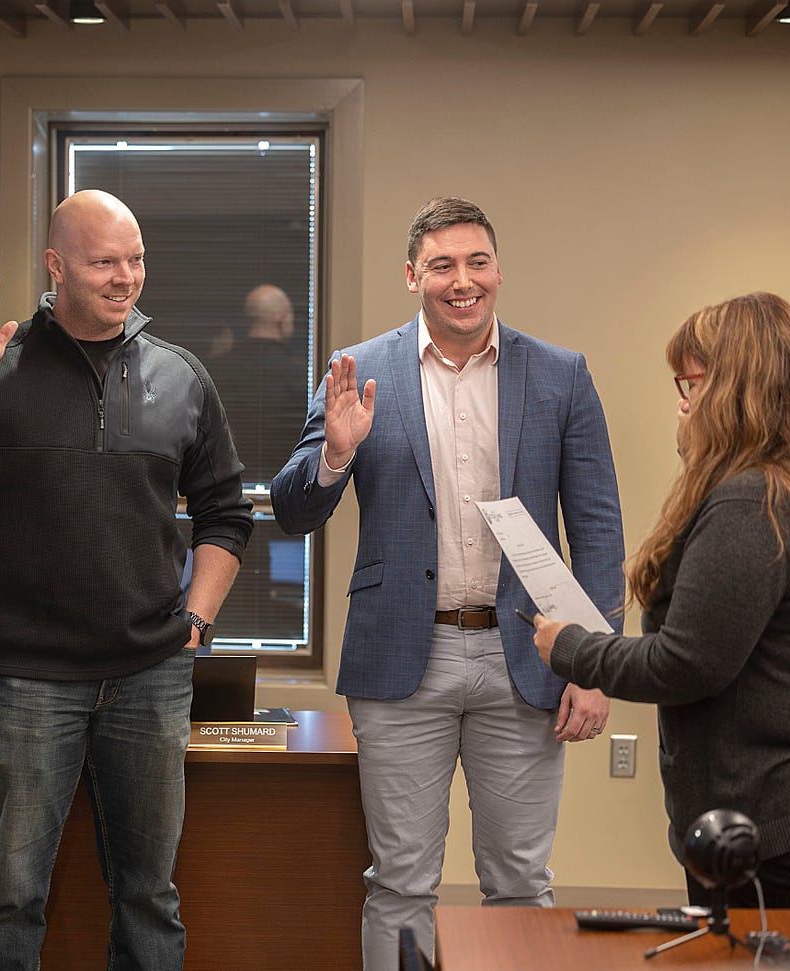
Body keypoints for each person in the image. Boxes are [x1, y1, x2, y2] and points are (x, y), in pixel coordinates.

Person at [0, 189, 253, 970]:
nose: (127, 277)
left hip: (151, 673)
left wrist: (196, 622)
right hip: (27, 677)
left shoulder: (182, 377)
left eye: (137, 259)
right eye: (105, 262)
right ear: (56, 265)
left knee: (150, 895)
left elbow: (227, 512)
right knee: (10, 896)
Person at [270, 196, 625, 971]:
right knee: (398, 883)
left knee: (520, 882)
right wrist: (333, 455)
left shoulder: (561, 375)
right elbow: (294, 509)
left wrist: (595, 664)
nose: (462, 281)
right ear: (411, 275)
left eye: (477, 262)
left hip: (526, 662)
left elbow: (598, 532)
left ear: (498, 270)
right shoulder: (359, 371)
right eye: (442, 265)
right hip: (402, 661)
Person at [534, 292, 790, 909]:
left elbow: (688, 664)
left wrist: (573, 651)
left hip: (771, 832)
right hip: (755, 823)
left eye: (689, 384)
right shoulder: (785, 482)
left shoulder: (751, 502)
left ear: (735, 387)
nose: (681, 402)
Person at [209, 283, 305, 484]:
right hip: (285, 481)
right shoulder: (299, 373)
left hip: (228, 480)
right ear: (280, 316)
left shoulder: (218, 367)